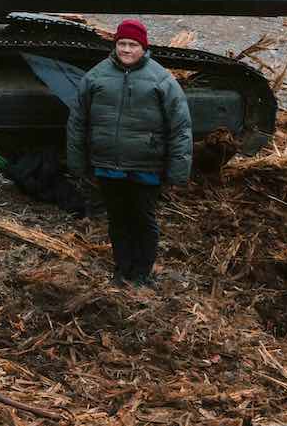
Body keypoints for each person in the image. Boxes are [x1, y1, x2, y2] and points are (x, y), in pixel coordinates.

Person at [66, 19, 193, 285]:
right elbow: (78, 122)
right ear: (115, 45)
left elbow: (180, 127)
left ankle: (142, 274)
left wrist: (177, 172)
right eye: (122, 44)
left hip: (145, 165)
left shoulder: (161, 80)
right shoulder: (96, 77)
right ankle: (122, 270)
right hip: (108, 164)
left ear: (143, 47)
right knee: (118, 219)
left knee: (143, 219)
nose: (126, 50)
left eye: (132, 45)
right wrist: (77, 163)